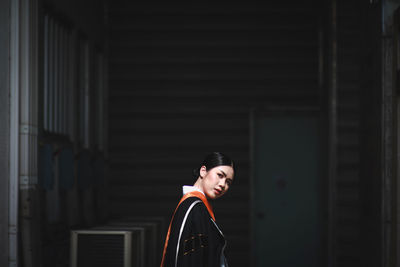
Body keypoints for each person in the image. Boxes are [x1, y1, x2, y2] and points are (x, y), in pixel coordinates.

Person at [160, 152, 235, 267]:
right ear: (203, 171)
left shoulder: (199, 207)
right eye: (220, 175)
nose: (222, 184)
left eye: (228, 182)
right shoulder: (193, 207)